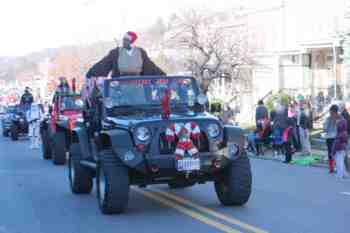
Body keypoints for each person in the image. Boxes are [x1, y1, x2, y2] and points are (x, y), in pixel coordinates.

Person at [86, 31, 166, 79]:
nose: (124, 41)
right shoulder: (116, 53)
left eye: (126, 40)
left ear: (132, 42)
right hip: (119, 86)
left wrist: (162, 75)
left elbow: (150, 66)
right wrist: (92, 72)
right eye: (123, 39)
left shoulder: (140, 52)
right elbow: (104, 64)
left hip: (138, 85)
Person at [330, 105, 349, 178]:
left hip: (340, 145)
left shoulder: (341, 122)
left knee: (339, 160)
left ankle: (340, 174)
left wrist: (333, 150)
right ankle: (344, 173)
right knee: (340, 159)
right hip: (343, 144)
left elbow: (337, 141)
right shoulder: (343, 130)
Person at [323, 105, 338, 173]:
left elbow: (325, 129)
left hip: (330, 137)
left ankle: (332, 167)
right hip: (334, 137)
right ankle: (333, 167)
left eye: (331, 111)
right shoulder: (339, 118)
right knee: (333, 153)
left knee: (331, 153)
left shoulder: (328, 118)